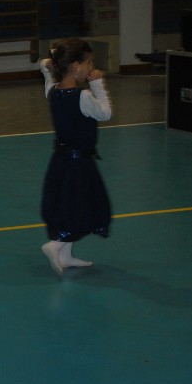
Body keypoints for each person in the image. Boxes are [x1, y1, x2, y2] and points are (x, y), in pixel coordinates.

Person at [39, 38, 113, 276]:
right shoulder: (82, 97)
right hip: (79, 164)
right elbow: (105, 113)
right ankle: (56, 246)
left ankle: (67, 256)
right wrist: (99, 84)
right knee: (85, 207)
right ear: (74, 65)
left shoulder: (52, 90)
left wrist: (55, 61)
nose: (90, 67)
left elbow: (44, 65)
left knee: (67, 205)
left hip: (60, 161)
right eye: (88, 62)